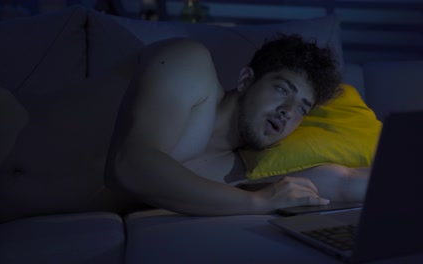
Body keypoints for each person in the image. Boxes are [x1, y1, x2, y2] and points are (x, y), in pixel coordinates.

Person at [105, 34, 370, 215]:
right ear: (245, 80)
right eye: (282, 89)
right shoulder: (190, 64)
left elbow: (340, 182)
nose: (288, 111)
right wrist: (256, 202)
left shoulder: (236, 173)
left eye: (302, 107)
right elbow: (129, 164)